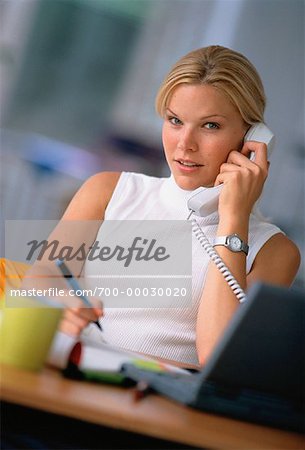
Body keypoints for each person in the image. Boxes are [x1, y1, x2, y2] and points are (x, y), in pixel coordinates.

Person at [27, 45, 301, 368]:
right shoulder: (107, 192)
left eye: (210, 125)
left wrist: (233, 219)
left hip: (163, 411)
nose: (185, 143)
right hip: (73, 379)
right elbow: (40, 280)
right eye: (175, 120)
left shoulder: (275, 253)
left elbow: (216, 356)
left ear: (252, 138)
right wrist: (64, 305)